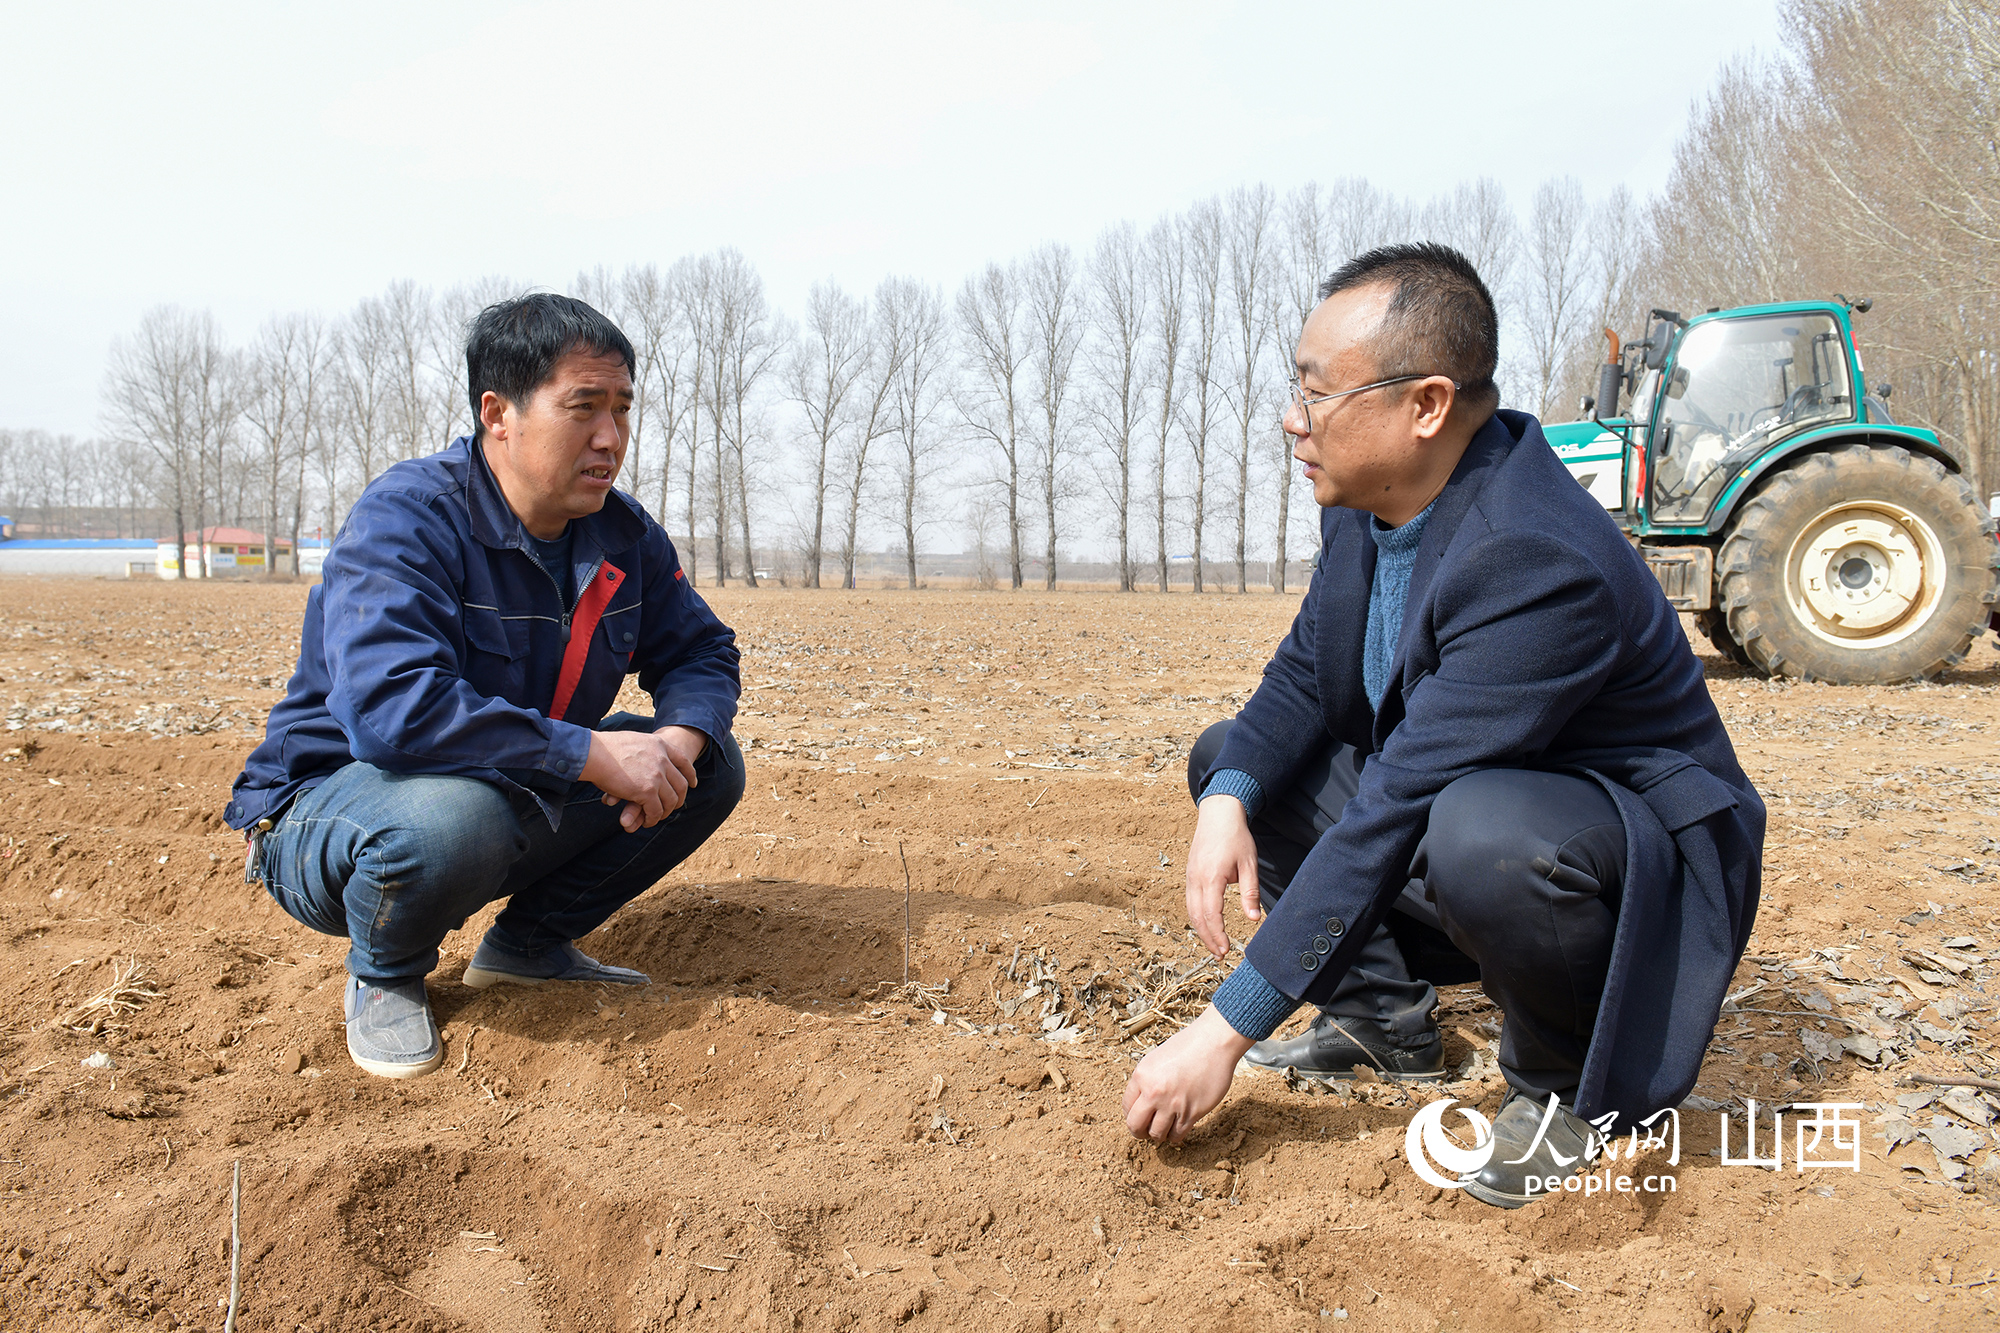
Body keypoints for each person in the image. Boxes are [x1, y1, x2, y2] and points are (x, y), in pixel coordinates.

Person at [1120, 243, 1763, 1208]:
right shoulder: (1369, 505)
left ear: (1424, 404)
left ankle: (1562, 1088)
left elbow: (1398, 802)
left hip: (1616, 857)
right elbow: (1304, 676)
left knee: (1477, 826)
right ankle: (1384, 1020)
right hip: (1483, 812)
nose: (1295, 422)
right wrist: (1225, 798)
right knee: (1241, 761)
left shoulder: (1532, 557)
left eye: (1318, 393)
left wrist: (1224, 1030)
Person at [226, 294, 744, 1081]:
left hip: (504, 791)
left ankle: (527, 947)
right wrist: (589, 753)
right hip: (330, 811)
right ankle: (386, 971)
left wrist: (674, 742)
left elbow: (703, 649)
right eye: (584, 408)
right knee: (451, 815)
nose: (610, 437)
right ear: (498, 414)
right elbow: (392, 712)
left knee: (705, 764)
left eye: (622, 409)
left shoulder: (622, 536)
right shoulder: (409, 518)